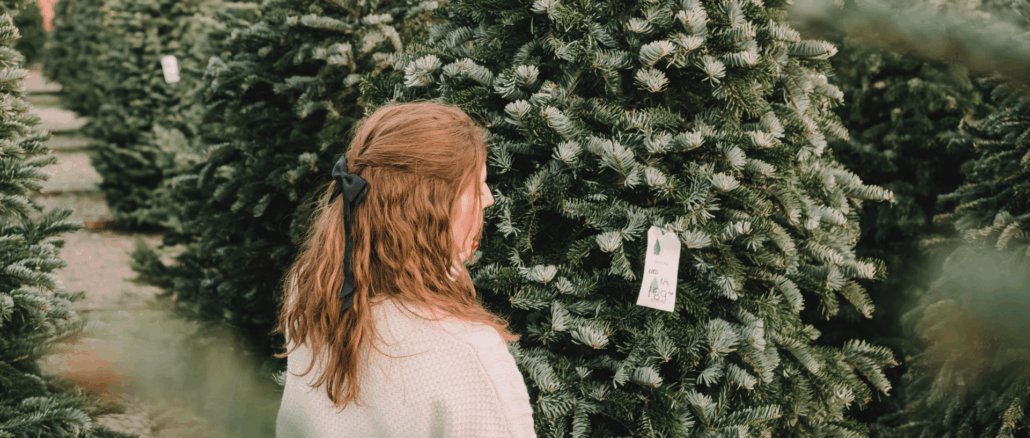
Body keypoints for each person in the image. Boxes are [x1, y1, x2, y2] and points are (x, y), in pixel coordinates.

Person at [274, 102, 536, 437]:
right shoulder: (466, 354)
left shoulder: (313, 290)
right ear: (433, 206)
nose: (488, 199)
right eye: (478, 184)